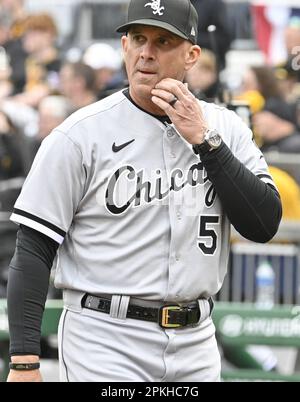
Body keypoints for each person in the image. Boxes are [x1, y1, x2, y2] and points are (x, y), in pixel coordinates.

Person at [7, 0, 281, 382]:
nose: (146, 53)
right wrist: (23, 361)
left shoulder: (225, 128)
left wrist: (206, 142)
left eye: (163, 41)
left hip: (196, 339)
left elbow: (264, 224)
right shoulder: (79, 134)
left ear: (192, 55)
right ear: (124, 48)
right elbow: (34, 248)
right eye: (138, 39)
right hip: (105, 336)